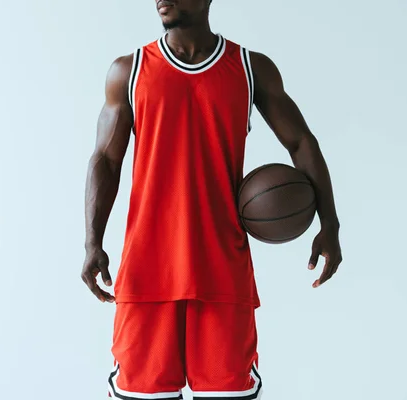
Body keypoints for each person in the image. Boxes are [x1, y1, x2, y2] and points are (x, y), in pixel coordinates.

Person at [82, 1, 342, 398]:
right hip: (147, 271)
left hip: (222, 269)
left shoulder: (250, 68)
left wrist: (331, 224)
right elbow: (105, 158)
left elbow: (301, 141)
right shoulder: (129, 70)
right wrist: (92, 243)